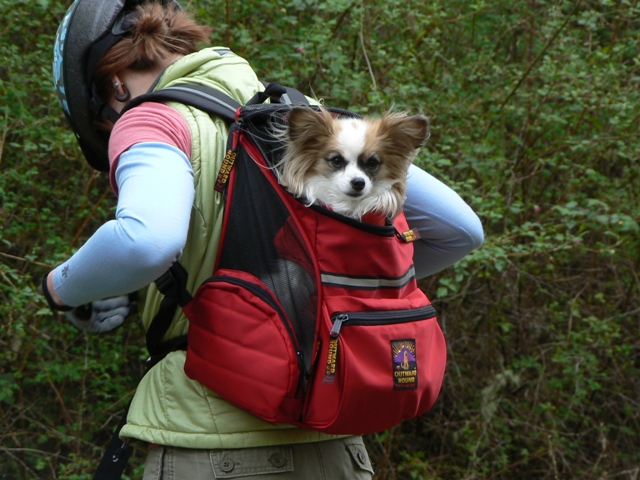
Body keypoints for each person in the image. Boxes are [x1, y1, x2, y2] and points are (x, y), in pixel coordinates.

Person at [45, 1, 484, 478]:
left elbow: (146, 241)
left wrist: (60, 288)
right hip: (334, 445)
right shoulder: (306, 122)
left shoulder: (150, 118)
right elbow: (459, 230)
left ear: (113, 85)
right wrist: (328, 294)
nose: (113, 133)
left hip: (212, 443)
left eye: (104, 123)